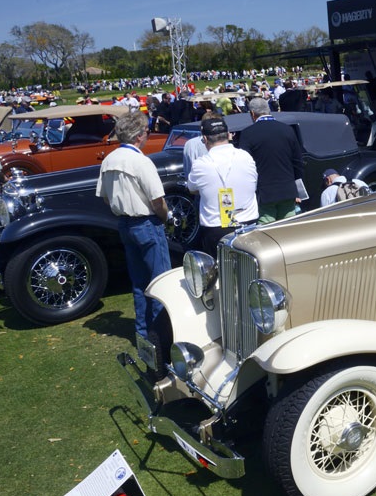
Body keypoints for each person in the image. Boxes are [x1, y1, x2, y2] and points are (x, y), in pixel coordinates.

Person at [95, 111, 171, 340]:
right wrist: (166, 217)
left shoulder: (109, 159)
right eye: (146, 132)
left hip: (125, 223)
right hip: (146, 222)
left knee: (139, 283)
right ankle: (163, 336)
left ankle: (144, 333)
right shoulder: (140, 161)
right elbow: (157, 200)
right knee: (160, 282)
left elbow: (106, 197)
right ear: (139, 136)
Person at [186, 117, 259, 256]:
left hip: (216, 227)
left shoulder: (201, 163)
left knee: (220, 273)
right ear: (229, 135)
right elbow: (253, 183)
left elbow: (192, 188)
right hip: (248, 224)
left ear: (205, 139)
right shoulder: (246, 156)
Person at [237, 97, 305, 224]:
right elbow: (298, 161)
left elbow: (244, 165)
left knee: (267, 229)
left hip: (265, 192)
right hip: (287, 189)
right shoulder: (287, 130)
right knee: (288, 227)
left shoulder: (247, 133)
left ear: (252, 113)